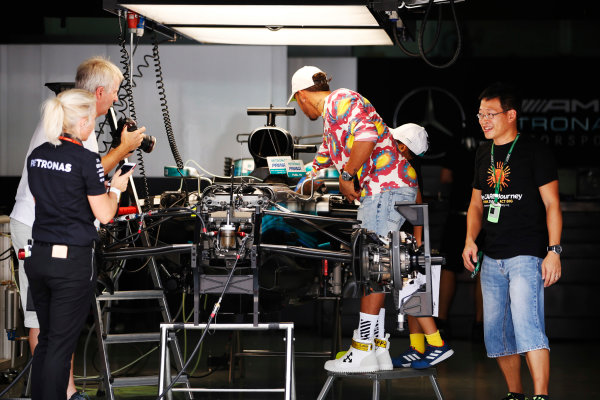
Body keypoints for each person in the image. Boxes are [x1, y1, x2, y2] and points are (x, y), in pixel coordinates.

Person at [288, 66, 443, 373]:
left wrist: (346, 177)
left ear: (302, 95)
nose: (300, 108)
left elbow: (367, 136)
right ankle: (377, 349)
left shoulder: (341, 99)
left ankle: (362, 349)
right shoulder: (334, 117)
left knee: (374, 267)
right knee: (379, 269)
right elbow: (326, 155)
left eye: (297, 102)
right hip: (384, 189)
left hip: (383, 189)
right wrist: (303, 181)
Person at [9, 56, 145, 400]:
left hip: (44, 238)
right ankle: (62, 393)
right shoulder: (75, 143)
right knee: (50, 327)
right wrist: (121, 155)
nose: (116, 99)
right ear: (99, 92)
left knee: (51, 325)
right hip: (48, 235)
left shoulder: (49, 141)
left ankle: (62, 391)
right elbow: (84, 180)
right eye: (114, 92)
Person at [462, 82, 562, 400]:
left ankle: (540, 396)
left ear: (511, 115)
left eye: (490, 113)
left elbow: (552, 205)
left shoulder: (535, 151)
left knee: (528, 326)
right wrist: (469, 240)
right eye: (480, 114)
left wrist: (554, 251)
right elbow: (477, 204)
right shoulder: (482, 152)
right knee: (497, 334)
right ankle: (515, 394)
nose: (483, 120)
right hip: (491, 257)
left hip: (526, 254)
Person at [388, 123, 454, 370]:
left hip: (407, 241)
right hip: (405, 238)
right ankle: (417, 349)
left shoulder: (406, 167)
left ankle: (436, 344)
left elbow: (417, 204)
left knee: (412, 294)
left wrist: (418, 240)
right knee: (408, 297)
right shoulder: (400, 164)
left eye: (394, 141)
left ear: (403, 147)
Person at [437, 137, 484, 341]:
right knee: (483, 269)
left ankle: (441, 321)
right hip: (484, 216)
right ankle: (480, 323)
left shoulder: (455, 145)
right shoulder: (492, 147)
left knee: (448, 267)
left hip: (458, 214)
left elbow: (445, 177)